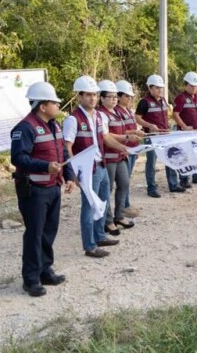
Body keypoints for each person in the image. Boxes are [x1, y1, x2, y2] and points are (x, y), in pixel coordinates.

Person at [11, 82, 75, 298]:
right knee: (34, 233)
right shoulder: (25, 128)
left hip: (52, 187)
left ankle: (45, 270)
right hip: (34, 189)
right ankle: (31, 279)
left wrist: (69, 176)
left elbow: (62, 154)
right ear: (42, 106)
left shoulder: (54, 125)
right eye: (54, 102)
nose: (58, 106)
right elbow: (18, 158)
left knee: (49, 230)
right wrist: (44, 167)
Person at [63, 75, 127, 259]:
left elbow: (106, 137)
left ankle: (99, 236)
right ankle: (90, 245)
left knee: (103, 202)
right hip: (87, 170)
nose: (93, 98)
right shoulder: (72, 120)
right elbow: (67, 147)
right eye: (88, 95)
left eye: (95, 95)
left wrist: (122, 146)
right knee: (89, 206)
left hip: (102, 166)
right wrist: (74, 172)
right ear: (79, 97)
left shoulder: (99, 116)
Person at [96, 80, 137, 234]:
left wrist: (129, 137)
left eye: (115, 97)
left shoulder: (117, 112)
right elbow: (107, 135)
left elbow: (122, 130)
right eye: (110, 97)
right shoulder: (101, 114)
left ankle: (119, 216)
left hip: (120, 155)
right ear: (102, 98)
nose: (113, 99)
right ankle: (107, 221)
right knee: (107, 189)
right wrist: (125, 138)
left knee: (124, 184)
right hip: (108, 157)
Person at [135, 74, 184, 197]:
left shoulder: (163, 100)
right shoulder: (144, 102)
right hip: (152, 136)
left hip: (165, 135)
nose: (160, 90)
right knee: (151, 162)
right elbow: (137, 118)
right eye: (157, 88)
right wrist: (149, 125)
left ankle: (173, 184)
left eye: (161, 88)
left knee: (170, 158)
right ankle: (151, 188)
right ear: (150, 88)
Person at [114, 80, 144, 217]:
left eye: (130, 96)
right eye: (126, 96)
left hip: (132, 147)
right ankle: (124, 206)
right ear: (118, 96)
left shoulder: (128, 110)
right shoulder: (117, 112)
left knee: (127, 179)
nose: (129, 99)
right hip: (124, 148)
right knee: (124, 181)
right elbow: (121, 131)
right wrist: (134, 133)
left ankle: (126, 204)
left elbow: (131, 127)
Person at [173, 71, 197, 186]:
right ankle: (184, 179)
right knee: (185, 156)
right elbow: (175, 114)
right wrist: (184, 126)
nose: (194, 88)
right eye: (192, 85)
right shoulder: (180, 98)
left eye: (196, 86)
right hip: (185, 133)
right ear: (186, 85)